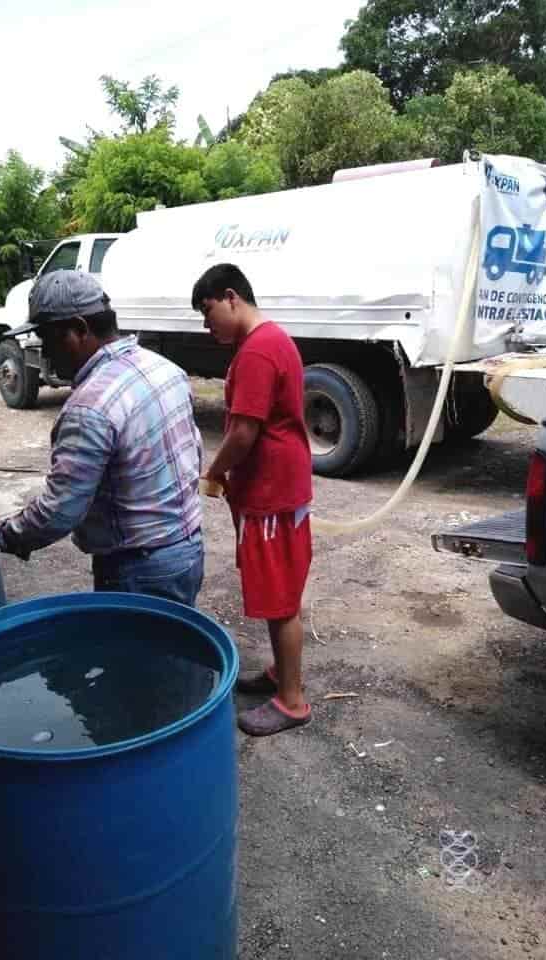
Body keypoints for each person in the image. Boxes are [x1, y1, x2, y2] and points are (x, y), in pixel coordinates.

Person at [0, 270, 204, 606]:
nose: (43, 351)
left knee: (134, 656)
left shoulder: (89, 407)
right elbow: (193, 454)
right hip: (187, 549)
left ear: (78, 330)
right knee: (169, 650)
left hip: (139, 568)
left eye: (46, 337)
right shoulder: (165, 370)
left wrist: (4, 533)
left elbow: (60, 509)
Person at [192, 263, 313, 736]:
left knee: (280, 599)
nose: (208, 325)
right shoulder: (266, 341)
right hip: (277, 487)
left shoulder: (260, 349)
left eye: (208, 313)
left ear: (230, 297)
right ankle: (282, 674)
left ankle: (292, 701)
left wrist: (214, 470)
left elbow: (244, 431)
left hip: (272, 492)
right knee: (276, 589)